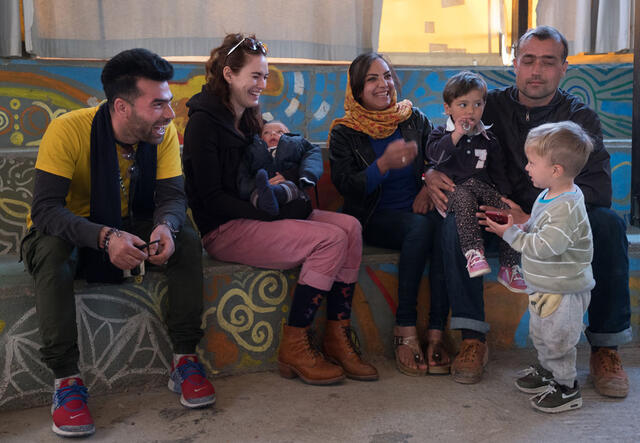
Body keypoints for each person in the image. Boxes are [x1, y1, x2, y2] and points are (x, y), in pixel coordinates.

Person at [425, 25, 631, 395]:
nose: (537, 71)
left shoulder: (579, 118)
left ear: (564, 68)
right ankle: (473, 338)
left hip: (555, 219)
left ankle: (605, 348)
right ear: (515, 65)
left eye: (548, 62)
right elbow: (446, 140)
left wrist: (536, 216)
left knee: (608, 224)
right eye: (529, 60)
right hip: (498, 214)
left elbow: (597, 189)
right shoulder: (488, 105)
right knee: (455, 221)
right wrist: (431, 173)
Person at [20, 48, 215, 438]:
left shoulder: (160, 134)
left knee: (187, 237)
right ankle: (66, 382)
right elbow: (45, 210)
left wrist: (166, 226)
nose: (169, 113)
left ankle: (184, 359)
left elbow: (174, 197)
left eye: (169, 102)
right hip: (69, 227)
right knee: (54, 252)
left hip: (131, 219)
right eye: (158, 104)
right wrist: (104, 236)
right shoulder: (68, 130)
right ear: (122, 107)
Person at [182, 34, 378, 386]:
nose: (262, 84)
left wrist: (288, 189)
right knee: (330, 240)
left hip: (260, 214)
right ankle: (296, 344)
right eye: (255, 76)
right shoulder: (203, 123)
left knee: (349, 227)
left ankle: (337, 333)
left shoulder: (248, 117)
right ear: (229, 74)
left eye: (265, 76)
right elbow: (210, 198)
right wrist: (271, 212)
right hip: (224, 228)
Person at [328, 52, 450, 376]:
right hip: (372, 218)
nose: (383, 84)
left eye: (386, 76)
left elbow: (438, 156)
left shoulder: (412, 118)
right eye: (372, 79)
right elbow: (348, 187)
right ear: (357, 89)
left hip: (418, 211)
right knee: (421, 228)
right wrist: (382, 165)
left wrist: (427, 181)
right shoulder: (345, 132)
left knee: (444, 227)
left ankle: (437, 332)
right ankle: (405, 327)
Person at [486, 121, 594, 413]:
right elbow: (537, 225)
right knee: (543, 335)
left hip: (564, 288)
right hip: (545, 284)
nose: (527, 168)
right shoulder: (550, 194)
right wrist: (520, 225)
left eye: (533, 162)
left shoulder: (567, 206)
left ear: (556, 170)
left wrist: (509, 235)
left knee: (559, 340)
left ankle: (567, 388)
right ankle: (549, 373)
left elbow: (548, 246)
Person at [425, 71, 525, 292]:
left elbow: (498, 170)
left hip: (483, 192)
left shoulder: (489, 138)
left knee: (508, 211)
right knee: (463, 193)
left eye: (477, 104)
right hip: (455, 194)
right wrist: (457, 135)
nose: (470, 111)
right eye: (462, 105)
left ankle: (509, 267)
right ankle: (473, 253)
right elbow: (435, 156)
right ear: (447, 108)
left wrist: (504, 195)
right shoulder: (440, 134)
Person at [237, 120, 322, 215]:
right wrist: (249, 187)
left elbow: (312, 156)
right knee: (256, 194)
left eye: (279, 132)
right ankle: (267, 203)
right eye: (266, 132)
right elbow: (243, 173)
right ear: (261, 138)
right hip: (262, 187)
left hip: (289, 188)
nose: (273, 133)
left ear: (289, 135)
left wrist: (307, 175)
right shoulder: (253, 149)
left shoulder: (296, 143)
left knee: (291, 189)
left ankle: (273, 195)